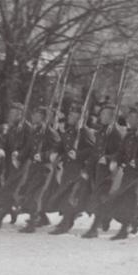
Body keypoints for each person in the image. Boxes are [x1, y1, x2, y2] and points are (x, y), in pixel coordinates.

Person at [103, 105, 138, 240]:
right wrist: (115, 160)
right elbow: (121, 152)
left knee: (132, 198)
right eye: (130, 117)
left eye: (134, 117)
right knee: (117, 199)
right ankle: (135, 222)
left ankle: (125, 229)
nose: (130, 119)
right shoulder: (129, 134)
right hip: (129, 173)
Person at [47, 101, 96, 235]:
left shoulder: (85, 132)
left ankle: (66, 224)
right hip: (68, 169)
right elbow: (61, 144)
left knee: (71, 196)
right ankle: (65, 220)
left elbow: (93, 150)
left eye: (73, 115)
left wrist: (78, 155)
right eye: (70, 114)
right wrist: (55, 151)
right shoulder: (69, 131)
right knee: (64, 195)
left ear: (80, 117)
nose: (69, 116)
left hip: (79, 169)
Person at [14, 106, 62, 232]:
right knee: (30, 192)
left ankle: (32, 224)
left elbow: (57, 149)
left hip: (44, 168)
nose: (33, 116)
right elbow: (29, 147)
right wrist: (19, 157)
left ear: (43, 117)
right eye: (34, 114)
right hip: (34, 166)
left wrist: (43, 155)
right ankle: (42, 218)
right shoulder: (35, 131)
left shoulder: (50, 132)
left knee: (35, 195)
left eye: (37, 115)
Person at [82, 103, 127, 239]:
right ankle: (132, 221)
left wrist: (107, 158)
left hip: (110, 171)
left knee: (101, 198)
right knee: (101, 198)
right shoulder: (102, 131)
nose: (101, 116)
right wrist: (87, 168)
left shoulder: (116, 132)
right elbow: (96, 152)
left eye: (104, 114)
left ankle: (94, 228)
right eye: (101, 114)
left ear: (112, 117)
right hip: (99, 170)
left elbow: (121, 153)